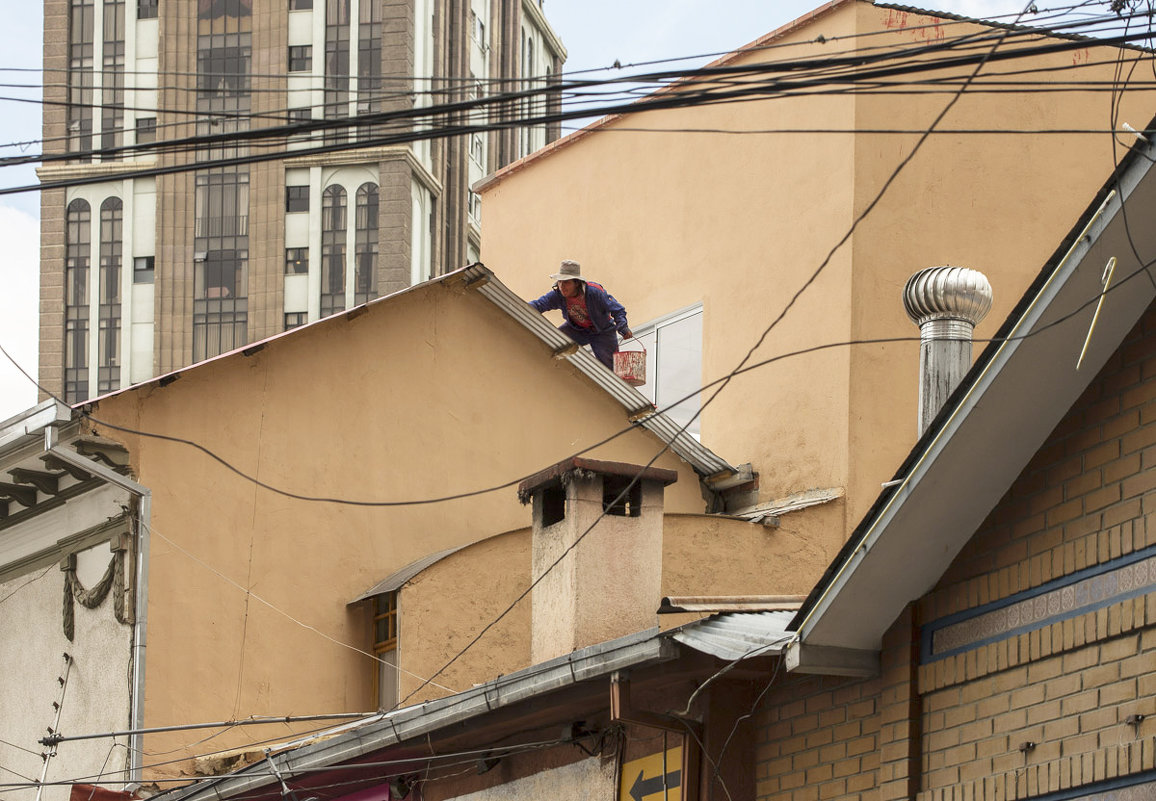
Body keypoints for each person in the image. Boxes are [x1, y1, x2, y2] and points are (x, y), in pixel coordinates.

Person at [529, 260, 632, 370]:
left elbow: (617, 309)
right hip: (577, 329)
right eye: (560, 282)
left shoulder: (594, 292)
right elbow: (539, 304)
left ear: (576, 283)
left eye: (566, 282)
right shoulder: (558, 295)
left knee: (610, 369)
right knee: (554, 341)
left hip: (602, 332)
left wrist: (623, 327)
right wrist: (524, 308)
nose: (562, 286)